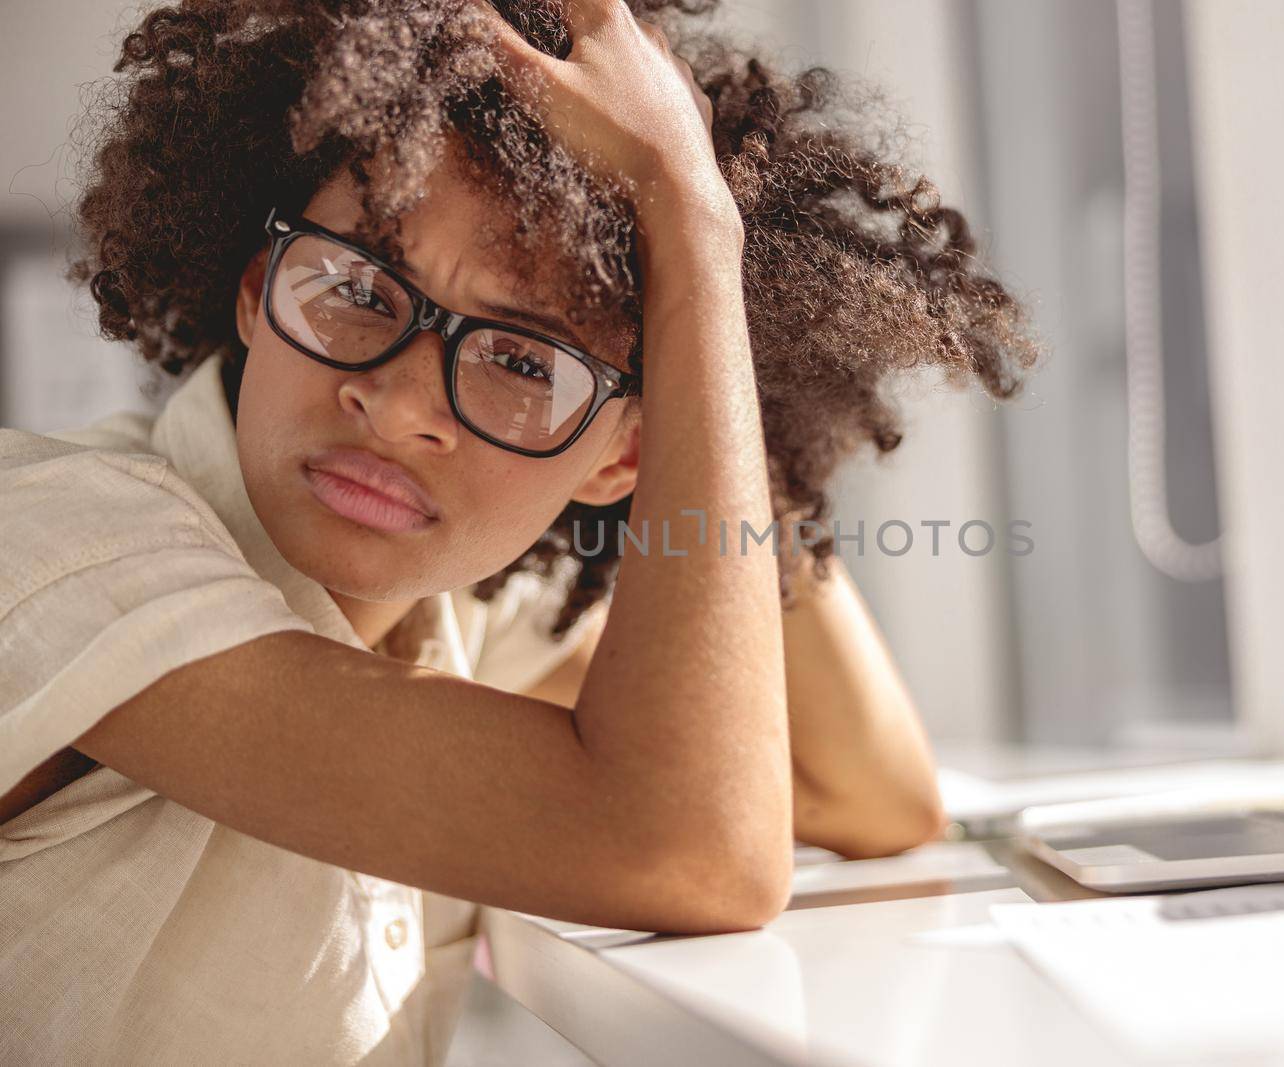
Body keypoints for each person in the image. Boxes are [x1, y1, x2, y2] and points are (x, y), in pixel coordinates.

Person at [0, 0, 1041, 1062]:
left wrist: (701, 311)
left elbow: (864, 788)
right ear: (260, 290)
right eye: (356, 288)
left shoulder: (458, 622)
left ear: (620, 460)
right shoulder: (58, 542)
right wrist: (688, 217)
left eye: (523, 362)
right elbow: (687, 847)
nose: (400, 404)